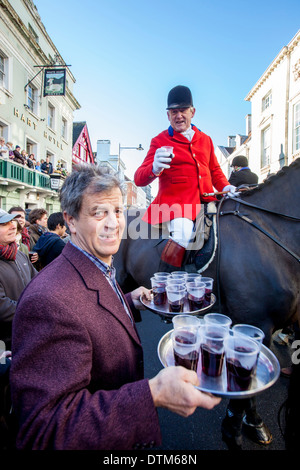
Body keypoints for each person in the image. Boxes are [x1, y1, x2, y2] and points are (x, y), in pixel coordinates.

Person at [10, 164, 221, 450]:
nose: (113, 223)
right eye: (99, 213)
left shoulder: (100, 268)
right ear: (71, 221)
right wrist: (153, 393)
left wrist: (128, 299)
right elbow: (44, 430)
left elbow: (91, 304)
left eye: (117, 211)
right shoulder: (48, 301)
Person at [134, 85, 238, 270]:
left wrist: (226, 186)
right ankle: (167, 280)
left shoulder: (205, 139)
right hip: (175, 205)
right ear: (168, 115)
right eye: (174, 111)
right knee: (183, 232)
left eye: (182, 110)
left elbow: (214, 170)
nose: (178, 115)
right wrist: (154, 168)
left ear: (193, 112)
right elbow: (139, 179)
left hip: (207, 201)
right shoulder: (159, 141)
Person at [0, 209, 37, 351]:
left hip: (25, 336)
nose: (13, 226)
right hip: (4, 344)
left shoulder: (20, 255)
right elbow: (3, 308)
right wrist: (33, 309)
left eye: (12, 221)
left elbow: (38, 282)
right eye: (4, 224)